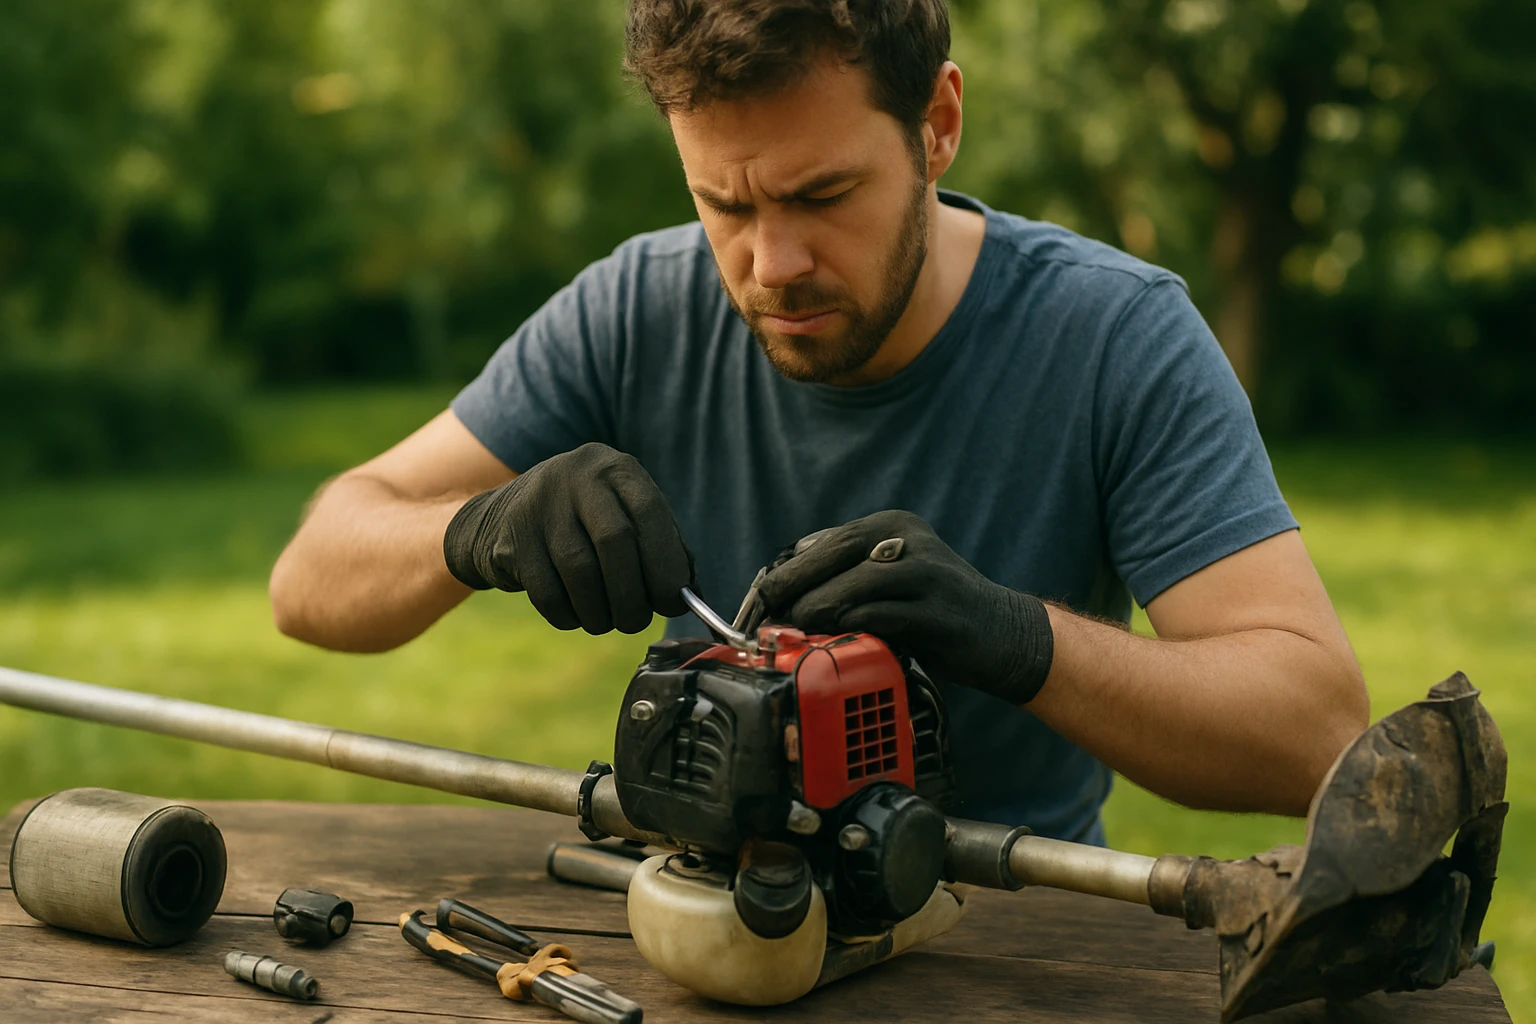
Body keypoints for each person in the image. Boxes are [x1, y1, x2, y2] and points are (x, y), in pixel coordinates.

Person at [269, 0, 1369, 844]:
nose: (771, 266)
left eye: (822, 196)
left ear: (937, 126)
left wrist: (1012, 636)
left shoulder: (1112, 336)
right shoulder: (633, 307)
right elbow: (310, 579)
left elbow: (1315, 731)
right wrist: (478, 529)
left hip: (1018, 940)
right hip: (702, 921)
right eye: (726, 205)